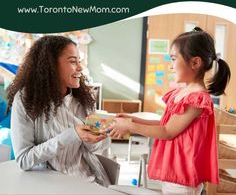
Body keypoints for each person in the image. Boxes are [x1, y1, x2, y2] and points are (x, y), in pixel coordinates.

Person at [108, 27, 231, 195]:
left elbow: (167, 132)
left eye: (173, 59)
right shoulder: (184, 92)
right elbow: (165, 123)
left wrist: (130, 126)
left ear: (195, 62)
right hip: (175, 172)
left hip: (184, 175)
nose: (170, 65)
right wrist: (134, 119)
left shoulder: (197, 99)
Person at [7, 35, 110, 186]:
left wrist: (96, 137)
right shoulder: (26, 99)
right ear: (51, 65)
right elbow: (24, 160)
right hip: (47, 186)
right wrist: (72, 135)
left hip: (86, 182)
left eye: (79, 61)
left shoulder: (83, 98)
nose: (80, 68)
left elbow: (95, 150)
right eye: (73, 61)